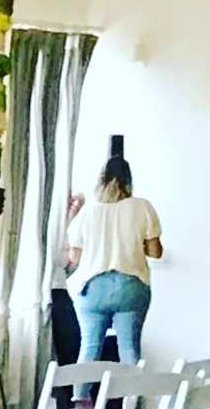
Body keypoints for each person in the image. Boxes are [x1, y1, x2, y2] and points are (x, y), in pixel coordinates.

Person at [64, 142, 165, 371]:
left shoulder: (88, 212)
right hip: (130, 286)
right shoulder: (142, 207)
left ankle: (81, 400)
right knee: (129, 349)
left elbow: (75, 256)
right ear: (128, 181)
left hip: (92, 288)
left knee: (89, 346)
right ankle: (130, 400)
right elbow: (155, 252)